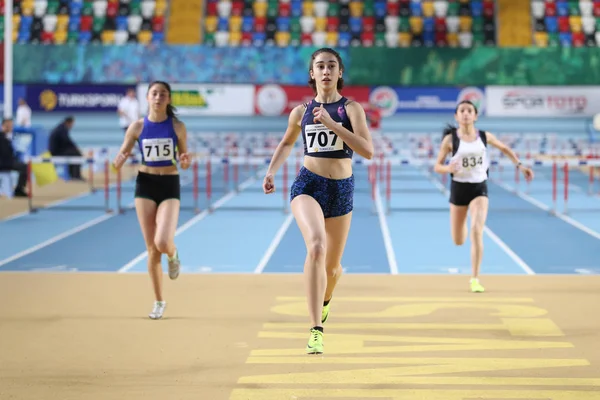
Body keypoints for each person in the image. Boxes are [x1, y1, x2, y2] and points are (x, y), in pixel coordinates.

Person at [262, 48, 374, 354]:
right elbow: (287, 143)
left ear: (340, 73)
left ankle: (325, 300)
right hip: (308, 184)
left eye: (332, 66)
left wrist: (332, 124)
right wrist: (271, 171)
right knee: (316, 246)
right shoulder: (299, 112)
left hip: (341, 189)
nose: (326, 71)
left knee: (333, 268)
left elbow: (367, 150)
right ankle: (316, 329)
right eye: (320, 66)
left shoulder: (351, 110)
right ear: (312, 73)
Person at [433, 100, 534, 293]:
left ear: (475, 115)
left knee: (477, 230)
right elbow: (437, 166)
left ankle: (475, 278)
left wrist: (520, 166)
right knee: (458, 240)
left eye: (469, 110)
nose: (465, 114)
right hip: (459, 189)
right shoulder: (450, 140)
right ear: (456, 116)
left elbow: (504, 149)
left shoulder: (484, 137)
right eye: (462, 110)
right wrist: (448, 168)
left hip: (479, 188)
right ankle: (461, 223)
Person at [112, 81, 191, 320]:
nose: (158, 97)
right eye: (154, 93)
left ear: (168, 99)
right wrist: (118, 160)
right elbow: (123, 152)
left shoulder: (177, 127)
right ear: (147, 97)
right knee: (151, 249)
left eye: (163, 94)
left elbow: (184, 159)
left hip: (169, 183)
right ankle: (159, 301)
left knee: (163, 242)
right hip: (145, 183)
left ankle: (174, 253)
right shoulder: (136, 127)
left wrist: (186, 161)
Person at [48, 116, 84, 181]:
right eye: (72, 124)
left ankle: (73, 175)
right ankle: (76, 176)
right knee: (77, 155)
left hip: (57, 150)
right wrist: (76, 148)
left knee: (73, 154)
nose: (72, 126)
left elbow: (66, 142)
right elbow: (67, 141)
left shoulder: (61, 128)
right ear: (68, 123)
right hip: (56, 152)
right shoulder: (62, 129)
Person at [0, 118, 28, 197]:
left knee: (25, 165)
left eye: (11, 126)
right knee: (24, 167)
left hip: (8, 161)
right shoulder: (2, 137)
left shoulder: (9, 137)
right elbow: (5, 153)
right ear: (3, 126)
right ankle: (19, 189)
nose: (10, 128)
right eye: (8, 126)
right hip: (4, 163)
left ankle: (19, 188)